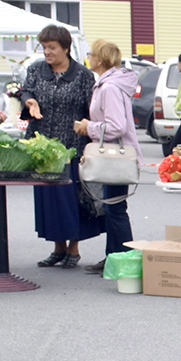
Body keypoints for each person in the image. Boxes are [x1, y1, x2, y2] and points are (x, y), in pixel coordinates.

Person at [22, 23, 99, 268]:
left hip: (72, 146)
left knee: (73, 199)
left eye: (52, 47)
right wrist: (30, 101)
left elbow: (92, 108)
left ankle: (73, 249)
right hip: (43, 146)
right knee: (49, 199)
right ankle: (57, 248)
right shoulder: (35, 70)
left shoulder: (83, 75)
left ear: (65, 47)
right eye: (44, 47)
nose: (47, 52)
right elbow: (26, 91)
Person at [72, 40, 143, 273]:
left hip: (114, 157)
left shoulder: (109, 87)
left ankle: (124, 259)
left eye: (90, 54)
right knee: (114, 208)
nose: (88, 58)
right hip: (114, 156)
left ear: (100, 59)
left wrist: (88, 127)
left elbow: (116, 126)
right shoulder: (108, 84)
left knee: (115, 208)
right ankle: (113, 257)